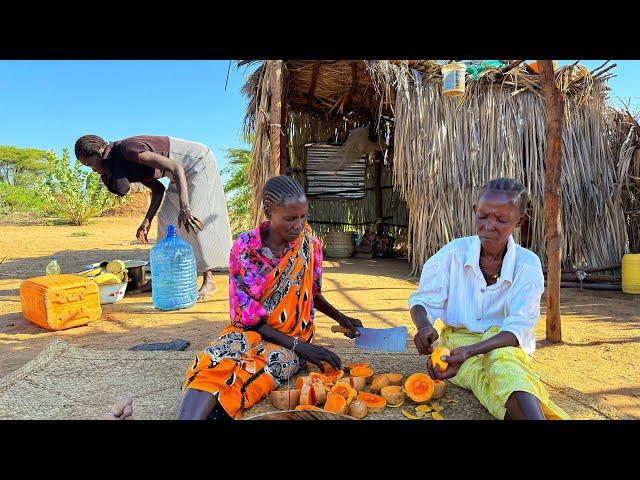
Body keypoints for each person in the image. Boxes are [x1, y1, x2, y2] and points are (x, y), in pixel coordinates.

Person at [104, 176, 364, 420]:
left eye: (303, 216)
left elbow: (312, 292)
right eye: (289, 218)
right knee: (213, 361)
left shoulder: (309, 244)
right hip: (252, 328)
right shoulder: (246, 248)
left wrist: (342, 319)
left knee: (254, 372)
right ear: (268, 212)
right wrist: (301, 349)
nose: (298, 225)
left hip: (294, 337)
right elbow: (247, 317)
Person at [408, 178, 569, 420]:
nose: (489, 226)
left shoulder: (527, 265)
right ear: (475, 212)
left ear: (520, 221)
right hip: (457, 341)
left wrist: (470, 351)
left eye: (501, 220)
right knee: (479, 378)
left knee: (503, 366)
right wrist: (423, 326)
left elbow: (516, 331)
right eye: (483, 216)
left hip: (505, 344)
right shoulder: (453, 254)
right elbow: (423, 301)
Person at [74, 135, 232, 301]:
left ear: (100, 153)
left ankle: (209, 281)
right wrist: (147, 220)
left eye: (90, 164)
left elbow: (176, 166)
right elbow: (157, 189)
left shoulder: (129, 151)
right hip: (176, 173)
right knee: (167, 221)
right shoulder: (121, 165)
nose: (92, 170)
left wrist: (185, 207)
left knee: (193, 220)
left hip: (196, 162)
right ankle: (157, 279)